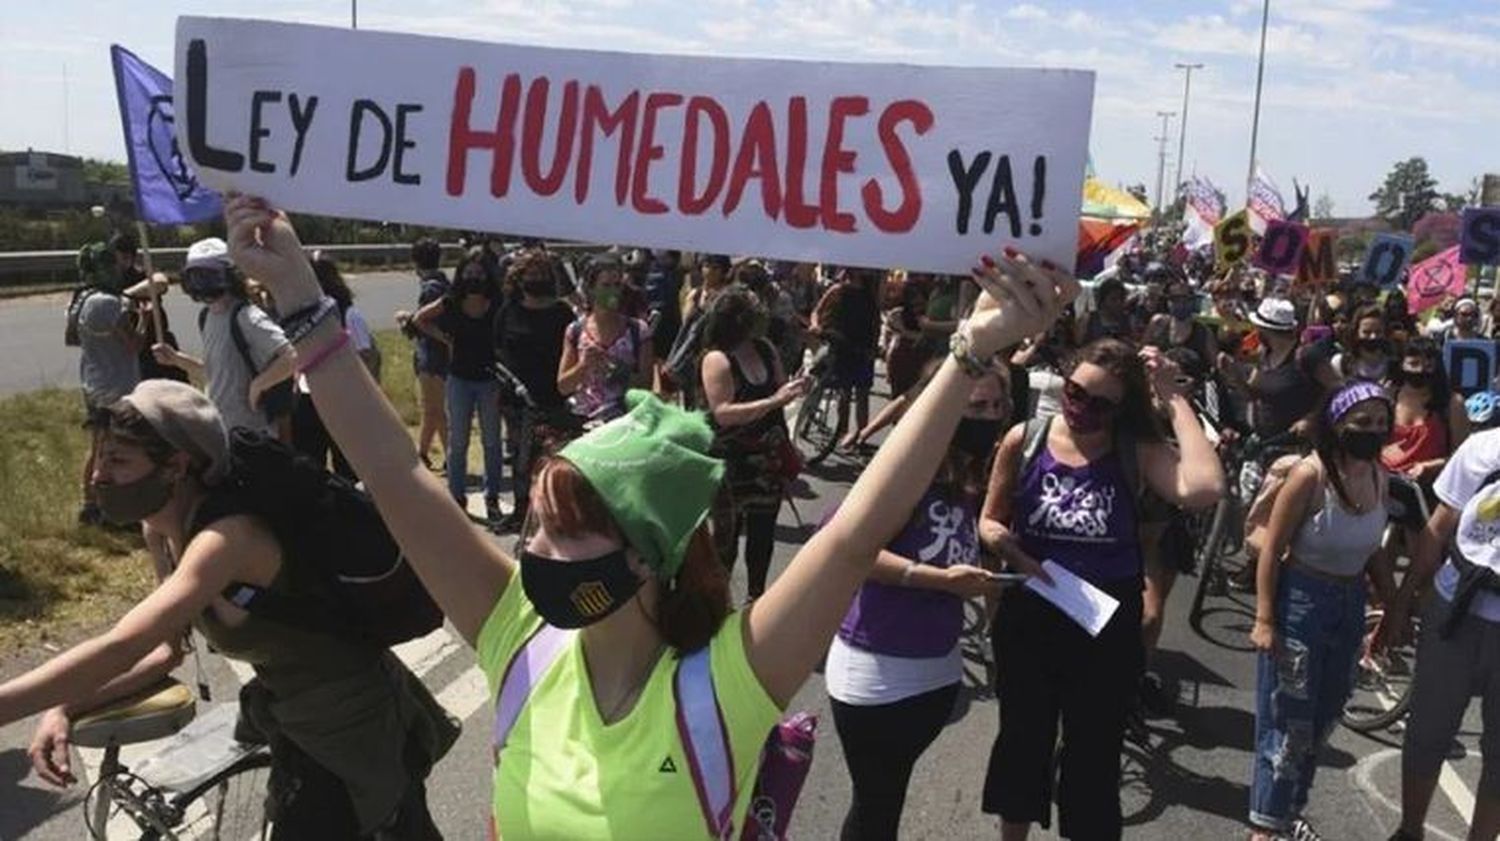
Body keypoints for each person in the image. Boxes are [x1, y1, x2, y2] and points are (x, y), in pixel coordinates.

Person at [209, 193, 1076, 839]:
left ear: (648, 556)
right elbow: (393, 470)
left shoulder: (724, 687)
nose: (533, 548)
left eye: (568, 527)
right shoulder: (519, 637)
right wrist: (296, 292)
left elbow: (854, 533)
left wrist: (969, 355)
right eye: (536, 524)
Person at [1, 379, 457, 838]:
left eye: (117, 460)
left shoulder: (228, 541)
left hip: (359, 733)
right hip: (294, 727)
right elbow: (163, 652)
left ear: (176, 465)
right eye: (98, 456)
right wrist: (63, 706)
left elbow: (123, 643)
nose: (98, 475)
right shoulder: (159, 530)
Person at [978, 338, 1224, 841]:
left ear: (1122, 409)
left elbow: (1203, 488)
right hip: (1031, 615)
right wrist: (1006, 546)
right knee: (1023, 742)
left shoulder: (1135, 449)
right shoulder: (1025, 438)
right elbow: (989, 518)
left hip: (1103, 620)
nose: (1080, 408)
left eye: (1100, 403)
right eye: (1075, 392)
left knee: (1094, 753)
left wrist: (1172, 397)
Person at [824, 368, 1008, 841]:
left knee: (885, 800)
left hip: (937, 671)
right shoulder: (905, 469)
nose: (987, 418)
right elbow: (847, 544)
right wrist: (939, 580)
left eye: (994, 407)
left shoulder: (970, 470)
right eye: (974, 407)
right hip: (876, 669)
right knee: (876, 805)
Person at [1245, 381, 1394, 841]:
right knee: (1288, 721)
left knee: (1325, 716)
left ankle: (1288, 813)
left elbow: (1374, 552)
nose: (1373, 430)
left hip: (1348, 604)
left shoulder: (1378, 475)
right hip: (1302, 601)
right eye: (1362, 422)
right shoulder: (1310, 476)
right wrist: (1265, 619)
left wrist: (1392, 606)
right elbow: (1271, 549)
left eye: (1381, 423)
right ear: (1337, 424)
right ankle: (1264, 828)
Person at [1380, 425, 1500, 841]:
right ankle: (1410, 830)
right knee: (1428, 731)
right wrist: (1401, 603)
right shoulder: (1483, 448)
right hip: (1456, 610)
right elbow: (1437, 529)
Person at [700, 287, 808, 602]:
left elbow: (779, 392)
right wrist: (775, 399)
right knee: (725, 542)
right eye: (755, 311)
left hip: (767, 463)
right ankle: (716, 607)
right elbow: (723, 413)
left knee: (762, 538)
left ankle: (755, 600)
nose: (763, 316)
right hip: (730, 465)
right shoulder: (717, 359)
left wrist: (795, 388)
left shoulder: (764, 348)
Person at [152, 237, 297, 442]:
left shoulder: (246, 317)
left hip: (251, 434)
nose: (201, 285)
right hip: (222, 428)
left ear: (229, 277)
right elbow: (213, 372)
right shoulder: (207, 317)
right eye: (195, 277)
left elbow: (292, 356)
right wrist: (176, 359)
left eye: (208, 276)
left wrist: (259, 385)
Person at [413, 249, 506, 522]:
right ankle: (457, 496)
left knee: (491, 441)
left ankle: (492, 497)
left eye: (479, 273)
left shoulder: (497, 302)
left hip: (489, 379)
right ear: (461, 274)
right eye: (469, 272)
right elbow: (420, 319)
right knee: (458, 440)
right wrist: (444, 338)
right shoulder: (451, 301)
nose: (474, 278)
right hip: (459, 378)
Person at [493, 250, 577, 532]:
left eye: (542, 275)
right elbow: (497, 349)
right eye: (531, 276)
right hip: (516, 402)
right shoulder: (509, 311)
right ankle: (520, 512)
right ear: (519, 279)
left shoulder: (563, 313)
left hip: (553, 400)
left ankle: (549, 516)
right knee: (520, 460)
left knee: (552, 462)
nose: (536, 280)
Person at [74, 241, 144, 526]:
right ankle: (113, 506)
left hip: (93, 381)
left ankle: (90, 504)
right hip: (117, 385)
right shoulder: (109, 302)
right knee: (116, 448)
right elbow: (133, 345)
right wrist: (144, 320)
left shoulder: (82, 299)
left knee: (98, 445)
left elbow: (72, 338)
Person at [291, 254, 378, 480]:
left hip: (344, 401)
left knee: (347, 468)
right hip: (310, 399)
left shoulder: (350, 315)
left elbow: (366, 356)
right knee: (308, 465)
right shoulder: (302, 314)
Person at [557, 253, 654, 424]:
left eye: (617, 285)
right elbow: (563, 386)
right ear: (591, 288)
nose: (613, 291)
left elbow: (646, 384)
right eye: (605, 285)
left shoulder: (638, 330)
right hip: (585, 421)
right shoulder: (576, 331)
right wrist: (583, 366)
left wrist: (617, 370)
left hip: (625, 421)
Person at [812, 267, 882, 451]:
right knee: (845, 392)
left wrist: (874, 347)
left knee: (861, 394)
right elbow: (817, 311)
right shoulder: (837, 290)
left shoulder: (870, 295)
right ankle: (843, 433)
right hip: (841, 346)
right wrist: (816, 327)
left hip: (862, 349)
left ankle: (860, 436)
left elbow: (876, 323)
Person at [405, 237, 450, 472]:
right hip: (437, 354)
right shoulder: (443, 283)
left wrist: (410, 320)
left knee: (435, 409)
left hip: (432, 355)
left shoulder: (429, 288)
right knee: (431, 408)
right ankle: (421, 453)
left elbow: (426, 322)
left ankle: (452, 456)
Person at [885, 281, 932, 399]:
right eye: (912, 297)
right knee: (899, 398)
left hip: (920, 359)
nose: (917, 302)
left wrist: (904, 332)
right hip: (902, 358)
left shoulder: (929, 316)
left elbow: (925, 337)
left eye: (918, 297)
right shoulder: (898, 314)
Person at [1332, 305, 1391, 383]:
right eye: (1366, 332)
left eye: (1378, 332)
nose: (1373, 337)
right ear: (1356, 332)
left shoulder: (1392, 364)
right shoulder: (1341, 363)